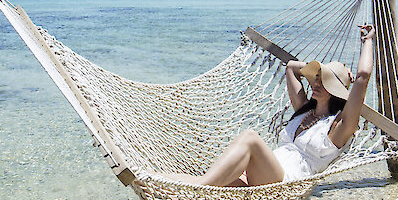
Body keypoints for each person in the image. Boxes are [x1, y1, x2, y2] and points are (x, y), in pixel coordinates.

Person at [160, 24, 376, 186]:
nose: (316, 84)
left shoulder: (339, 127)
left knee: (250, 138)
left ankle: (201, 187)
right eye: (316, 78)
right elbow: (291, 68)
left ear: (336, 92)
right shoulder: (303, 111)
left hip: (283, 182)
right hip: (261, 173)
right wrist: (319, 70)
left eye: (324, 81)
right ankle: (145, 177)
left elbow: (363, 77)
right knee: (180, 185)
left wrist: (368, 41)